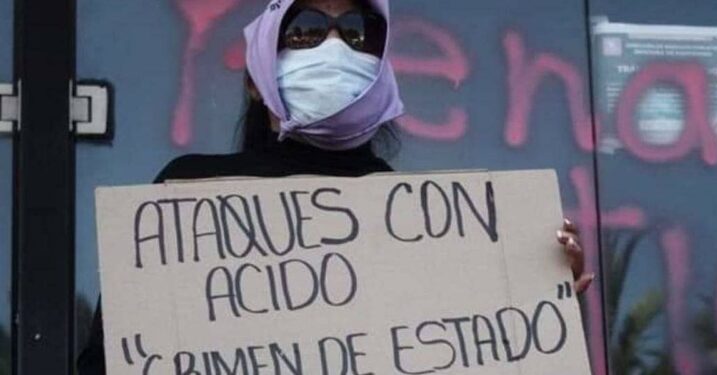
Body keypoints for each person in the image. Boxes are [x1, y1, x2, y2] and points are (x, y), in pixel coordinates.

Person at [77, 0, 594, 372]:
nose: (333, 47)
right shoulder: (185, 195)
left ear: (381, 71)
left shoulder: (429, 231)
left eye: (357, 32)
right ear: (258, 78)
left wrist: (534, 311)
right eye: (304, 29)